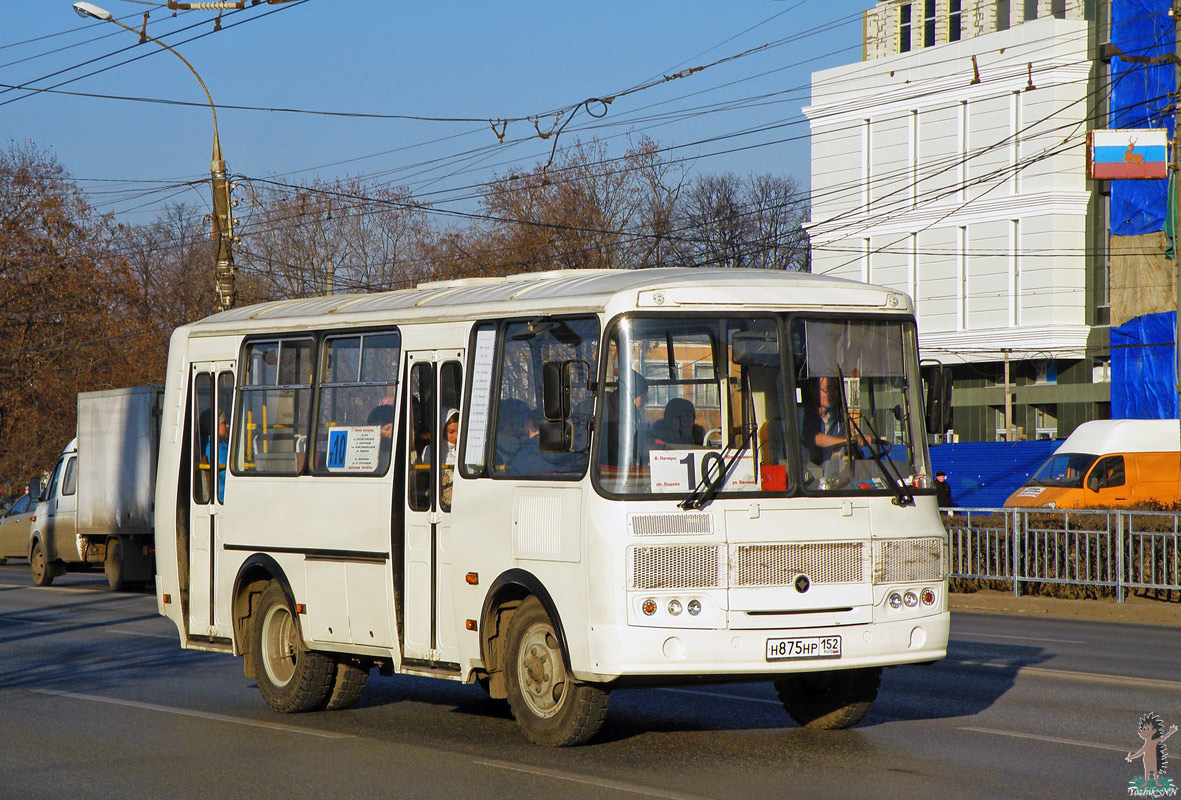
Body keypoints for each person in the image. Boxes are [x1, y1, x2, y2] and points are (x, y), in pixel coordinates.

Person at [205, 411, 230, 503]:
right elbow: (226, 475)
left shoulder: (209, 444)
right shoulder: (216, 448)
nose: (227, 426)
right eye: (223, 423)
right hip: (223, 497)